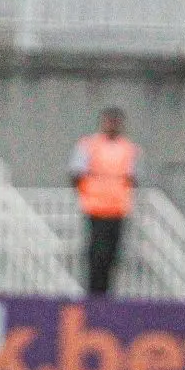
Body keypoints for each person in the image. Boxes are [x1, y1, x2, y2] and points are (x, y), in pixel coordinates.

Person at [70, 107, 139, 296]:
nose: (112, 125)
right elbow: (76, 173)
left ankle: (107, 294)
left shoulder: (128, 148)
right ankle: (95, 294)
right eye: (109, 121)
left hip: (118, 208)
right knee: (97, 255)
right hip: (95, 207)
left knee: (112, 255)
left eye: (116, 122)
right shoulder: (89, 145)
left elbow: (133, 177)